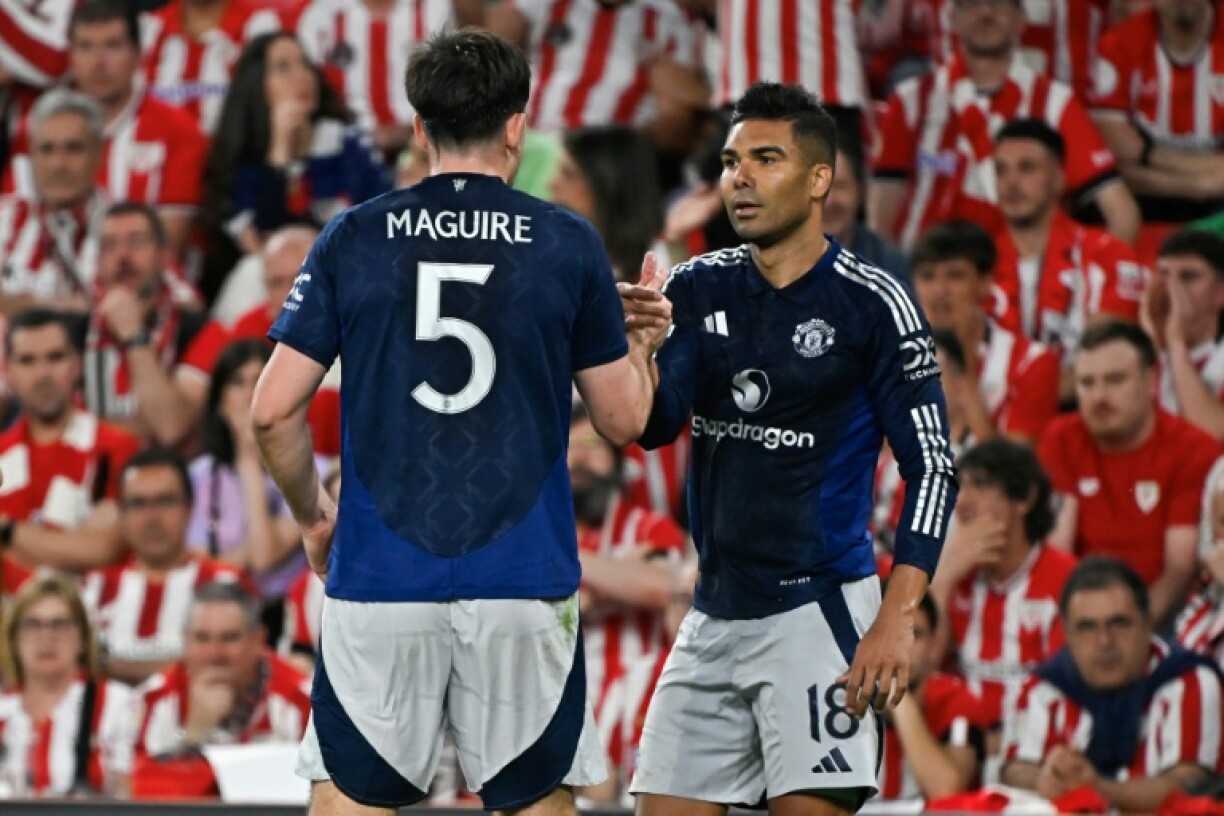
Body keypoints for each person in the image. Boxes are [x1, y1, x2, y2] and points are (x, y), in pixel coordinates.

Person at [251, 29, 664, 815]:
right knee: (535, 799)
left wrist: (313, 518)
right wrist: (643, 346)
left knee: (349, 798)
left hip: (381, 575)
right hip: (521, 579)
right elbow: (621, 421)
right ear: (517, 126)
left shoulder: (354, 237)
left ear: (418, 127)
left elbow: (272, 412)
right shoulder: (567, 243)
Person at [620, 81, 958, 815]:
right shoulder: (698, 288)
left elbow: (932, 465)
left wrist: (895, 617)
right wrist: (640, 352)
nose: (739, 178)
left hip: (819, 617)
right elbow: (648, 427)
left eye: (765, 159)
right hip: (712, 613)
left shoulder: (874, 303)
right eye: (732, 161)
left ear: (818, 180)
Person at [870, 0, 1138, 251]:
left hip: (1015, 290)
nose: (986, 12)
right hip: (925, 280)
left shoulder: (1054, 104)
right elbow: (880, 217)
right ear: (952, 19)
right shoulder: (910, 101)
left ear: (1021, 20)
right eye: (973, 3)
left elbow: (1123, 215)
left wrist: (1085, 283)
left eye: (999, 2)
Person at [1001, 557, 1224, 811]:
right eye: (1087, 627)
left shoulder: (1191, 680)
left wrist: (1097, 789)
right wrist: (1046, 778)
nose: (1104, 641)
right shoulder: (1042, 687)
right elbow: (1016, 769)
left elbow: (1188, 785)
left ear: (1147, 621)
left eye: (1118, 623)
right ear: (1066, 632)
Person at [1039, 320, 1219, 625]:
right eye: (1087, 383)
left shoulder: (1193, 449)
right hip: (1079, 617)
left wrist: (1131, 632)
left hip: (1164, 620)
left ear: (1151, 381)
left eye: (1115, 380)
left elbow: (1178, 569)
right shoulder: (1061, 439)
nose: (1099, 396)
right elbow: (1058, 548)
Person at [927, 438, 1075, 769]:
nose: (962, 500)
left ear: (1024, 497)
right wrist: (943, 580)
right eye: (960, 486)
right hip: (957, 746)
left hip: (1034, 755)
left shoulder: (1066, 580)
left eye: (981, 485)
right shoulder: (952, 572)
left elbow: (1065, 691)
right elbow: (922, 667)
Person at [567, 401, 686, 804]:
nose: (581, 456)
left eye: (592, 444)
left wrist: (570, 569)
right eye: (570, 446)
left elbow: (662, 586)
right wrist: (616, 576)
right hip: (561, 689)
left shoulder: (646, 525)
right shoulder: (535, 531)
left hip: (639, 693)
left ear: (618, 463)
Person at [203, 31, 390, 263]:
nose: (302, 76)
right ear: (256, 84)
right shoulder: (243, 162)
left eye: (306, 64)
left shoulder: (346, 145)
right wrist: (279, 155)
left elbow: (381, 220)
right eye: (283, 68)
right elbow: (260, 242)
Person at [989, 118, 1146, 389]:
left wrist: (1028, 405)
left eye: (1027, 168)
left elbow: (1106, 361)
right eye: (1001, 171)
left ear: (1060, 179)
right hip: (993, 419)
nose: (1011, 182)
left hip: (1084, 412)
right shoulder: (977, 263)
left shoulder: (1107, 255)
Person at [120, 581, 311, 799]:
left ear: (259, 640)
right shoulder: (150, 701)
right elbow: (141, 797)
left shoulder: (303, 700)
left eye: (229, 638)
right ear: (185, 641)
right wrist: (194, 735)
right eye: (202, 638)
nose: (215, 653)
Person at [82, 448, 247, 685]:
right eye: (138, 504)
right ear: (122, 514)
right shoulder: (94, 587)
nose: (152, 518)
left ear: (190, 508)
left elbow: (233, 666)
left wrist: (112, 666)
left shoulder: (227, 583)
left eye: (165, 501)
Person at [0, 309, 141, 573]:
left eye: (55, 357)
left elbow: (101, 549)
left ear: (77, 365)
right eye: (27, 361)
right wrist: (68, 546)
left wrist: (7, 530)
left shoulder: (119, 448)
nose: (42, 373)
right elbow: (82, 550)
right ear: (8, 372)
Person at [910, 220, 1060, 446]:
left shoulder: (1032, 362)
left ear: (984, 284)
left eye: (955, 276)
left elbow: (1010, 473)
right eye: (927, 276)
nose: (939, 290)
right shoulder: (891, 356)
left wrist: (963, 366)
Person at [187, 339, 304, 595]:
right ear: (220, 403)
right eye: (237, 382)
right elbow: (191, 565)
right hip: (212, 605)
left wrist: (249, 461)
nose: (251, 393)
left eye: (260, 379)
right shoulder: (195, 476)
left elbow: (264, 560)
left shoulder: (310, 471)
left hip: (282, 615)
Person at [0, 574, 132, 797]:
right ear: (14, 639)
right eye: (32, 624)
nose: (46, 637)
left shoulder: (118, 703)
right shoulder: (4, 708)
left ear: (82, 638)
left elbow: (135, 796)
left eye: (59, 624)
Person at [85, 201, 206, 445]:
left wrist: (134, 335)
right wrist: (139, 426)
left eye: (137, 242)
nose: (122, 257)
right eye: (109, 246)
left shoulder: (200, 329)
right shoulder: (74, 330)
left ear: (164, 256)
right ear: (97, 262)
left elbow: (170, 427)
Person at [875, 593, 989, 801]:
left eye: (915, 635)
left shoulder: (956, 700)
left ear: (933, 644)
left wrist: (899, 701)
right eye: (890, 634)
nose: (902, 648)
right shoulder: (842, 698)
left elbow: (947, 792)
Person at [1144, 230, 1224, 440]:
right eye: (1163, 275)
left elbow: (1210, 436)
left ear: (1220, 293)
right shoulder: (1129, 357)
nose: (1171, 288)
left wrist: (1175, 342)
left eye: (1188, 277)